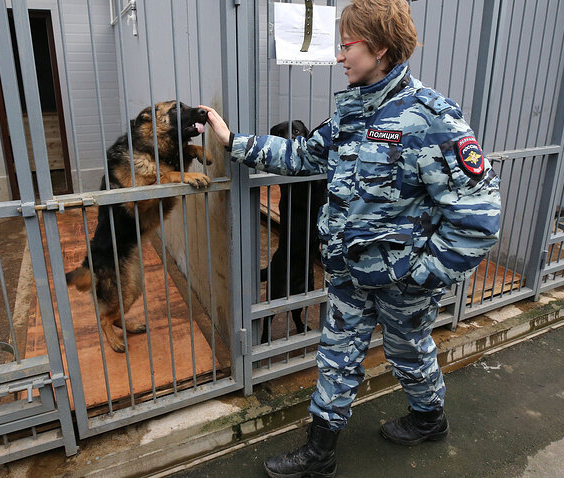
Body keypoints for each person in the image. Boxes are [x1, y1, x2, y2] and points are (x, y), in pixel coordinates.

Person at [201, 1, 501, 476]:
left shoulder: (429, 117)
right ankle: (319, 453)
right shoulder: (351, 111)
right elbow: (301, 155)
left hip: (403, 280)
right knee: (337, 353)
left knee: (409, 351)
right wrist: (233, 141)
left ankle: (429, 418)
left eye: (346, 45)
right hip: (348, 272)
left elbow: (478, 217)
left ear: (379, 47)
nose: (340, 56)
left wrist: (424, 276)